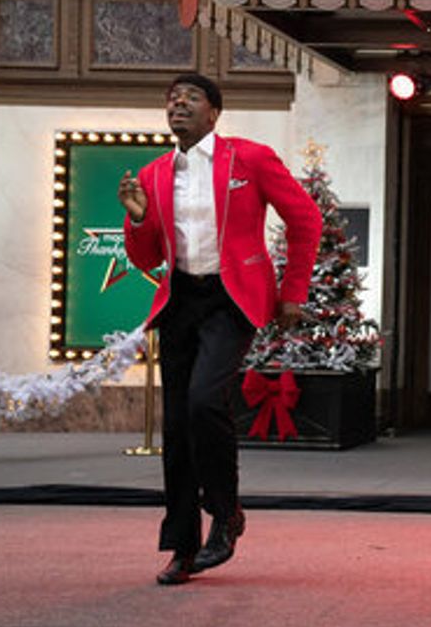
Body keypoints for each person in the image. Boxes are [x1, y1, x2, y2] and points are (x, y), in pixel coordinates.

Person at [119, 73, 321, 586]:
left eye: (191, 98)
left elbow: (306, 220)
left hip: (232, 297)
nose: (178, 104)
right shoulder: (155, 173)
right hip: (180, 300)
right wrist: (138, 219)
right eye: (172, 99)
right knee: (178, 426)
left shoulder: (250, 159)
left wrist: (293, 291)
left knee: (205, 401)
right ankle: (183, 547)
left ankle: (225, 514)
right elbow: (146, 257)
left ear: (213, 112)